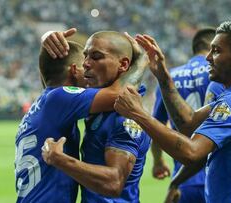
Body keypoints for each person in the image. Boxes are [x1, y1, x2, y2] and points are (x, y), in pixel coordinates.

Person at [114, 22, 231, 202]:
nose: (208, 57)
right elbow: (188, 124)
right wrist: (163, 76)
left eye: (216, 51)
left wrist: (138, 113)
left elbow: (191, 154)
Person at [15, 28, 147, 203]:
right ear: (73, 70)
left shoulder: (47, 102)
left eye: (95, 57)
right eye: (84, 59)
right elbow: (122, 93)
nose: (86, 64)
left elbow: (115, 182)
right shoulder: (60, 98)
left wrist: (46, 42)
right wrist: (141, 60)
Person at [151, 28, 215, 203]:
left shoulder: (169, 76)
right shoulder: (220, 74)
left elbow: (156, 127)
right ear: (212, 46)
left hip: (184, 176)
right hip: (219, 175)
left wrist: (158, 161)